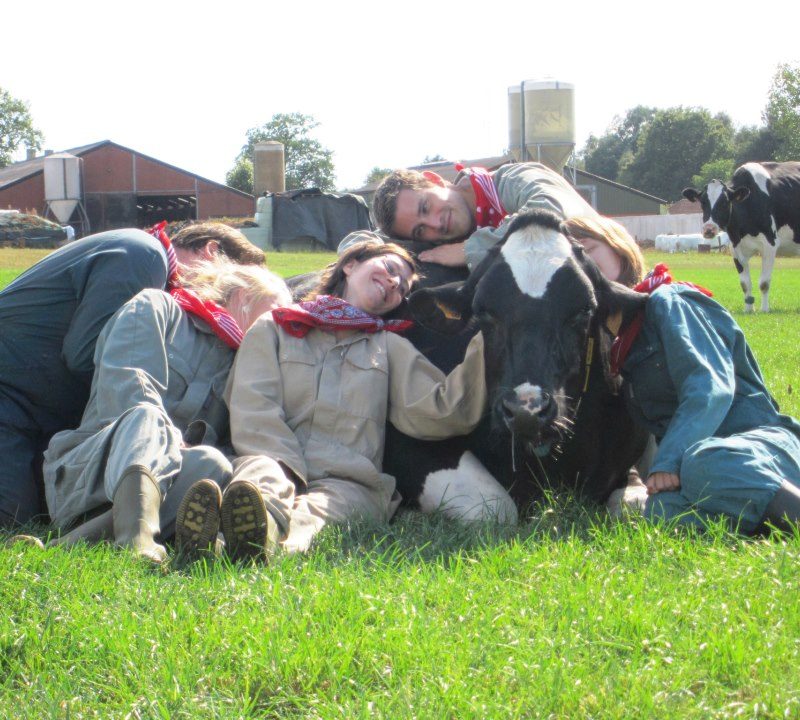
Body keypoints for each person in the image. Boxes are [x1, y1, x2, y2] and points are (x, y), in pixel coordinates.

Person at [175, 241, 489, 560]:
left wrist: (487, 338)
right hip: (272, 457)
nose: (395, 283)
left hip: (348, 480)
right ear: (350, 265)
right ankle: (251, 532)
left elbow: (440, 410)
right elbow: (254, 405)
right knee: (262, 481)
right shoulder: (276, 326)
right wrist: (286, 467)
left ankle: (239, 543)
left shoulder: (389, 347)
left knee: (317, 518)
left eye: (403, 288)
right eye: (390, 268)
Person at [0, 221, 264, 528]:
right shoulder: (144, 255)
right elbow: (84, 356)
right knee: (10, 515)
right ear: (211, 251)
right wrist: (153, 428)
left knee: (32, 510)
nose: (223, 292)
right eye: (233, 278)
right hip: (11, 395)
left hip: (32, 410)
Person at [26, 258, 291, 562]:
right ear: (244, 296)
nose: (277, 329)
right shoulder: (158, 307)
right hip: (92, 473)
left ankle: (238, 549)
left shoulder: (245, 366)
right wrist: (169, 438)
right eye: (275, 312)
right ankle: (137, 544)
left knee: (229, 463)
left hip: (172, 482)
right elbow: (126, 382)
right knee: (147, 418)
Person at [610, 264, 800, 533]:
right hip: (708, 472)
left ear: (622, 253)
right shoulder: (624, 344)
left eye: (589, 246)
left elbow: (710, 388)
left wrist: (668, 461)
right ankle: (770, 521)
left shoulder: (668, 300)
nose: (582, 258)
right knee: (658, 510)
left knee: (702, 464)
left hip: (757, 447)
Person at [371, 162, 598, 270]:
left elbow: (551, 211)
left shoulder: (512, 179)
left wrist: (470, 250)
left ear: (435, 180)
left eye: (425, 207)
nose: (435, 223)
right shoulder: (453, 240)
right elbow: (371, 240)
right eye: (421, 230)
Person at [563, 216, 645, 288]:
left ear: (617, 246)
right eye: (571, 256)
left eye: (588, 249)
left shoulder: (651, 295)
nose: (577, 261)